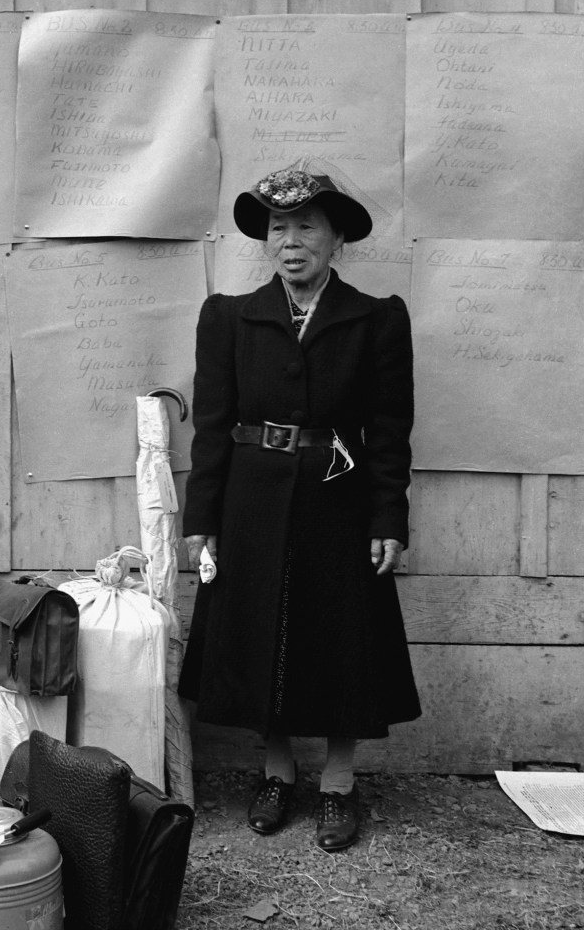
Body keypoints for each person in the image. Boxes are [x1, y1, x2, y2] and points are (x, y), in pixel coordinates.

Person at [180, 166, 420, 850]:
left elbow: (389, 433)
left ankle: (338, 785)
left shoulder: (376, 319)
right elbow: (211, 427)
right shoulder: (228, 317)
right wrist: (201, 521)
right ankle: (277, 772)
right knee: (259, 632)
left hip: (337, 500)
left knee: (341, 636)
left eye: (307, 226)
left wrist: (386, 520)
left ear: (336, 237)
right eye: (277, 228)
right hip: (248, 503)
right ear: (264, 241)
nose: (291, 242)